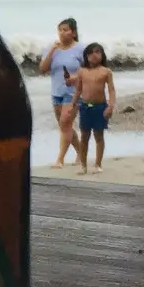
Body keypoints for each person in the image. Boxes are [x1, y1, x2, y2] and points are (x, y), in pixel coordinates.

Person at [38, 17, 85, 167]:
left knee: (65, 122)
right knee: (65, 126)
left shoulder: (81, 49)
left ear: (74, 32)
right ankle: (81, 153)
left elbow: (89, 71)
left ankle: (60, 159)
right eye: (60, 30)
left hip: (74, 92)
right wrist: (52, 49)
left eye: (66, 30)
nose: (62, 33)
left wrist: (75, 77)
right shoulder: (52, 49)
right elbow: (43, 69)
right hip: (56, 92)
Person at [67, 43, 115, 172]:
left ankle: (98, 164)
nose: (94, 55)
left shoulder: (106, 71)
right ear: (86, 56)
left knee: (99, 136)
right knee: (84, 137)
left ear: (102, 54)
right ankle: (83, 165)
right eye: (90, 53)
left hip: (100, 107)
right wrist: (72, 105)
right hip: (85, 107)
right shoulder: (82, 71)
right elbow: (78, 91)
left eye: (97, 52)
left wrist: (110, 106)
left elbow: (111, 91)